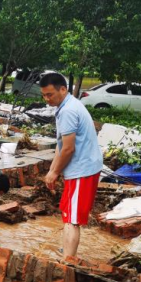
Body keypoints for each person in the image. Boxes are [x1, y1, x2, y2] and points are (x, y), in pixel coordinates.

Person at [40, 73, 103, 259]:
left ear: (63, 89)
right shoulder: (68, 105)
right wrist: (52, 170)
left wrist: (55, 172)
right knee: (68, 213)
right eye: (43, 95)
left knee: (72, 219)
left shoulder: (68, 111)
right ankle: (67, 253)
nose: (46, 99)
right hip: (81, 168)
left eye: (50, 95)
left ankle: (68, 262)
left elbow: (68, 149)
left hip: (82, 170)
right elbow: (62, 144)